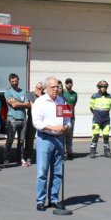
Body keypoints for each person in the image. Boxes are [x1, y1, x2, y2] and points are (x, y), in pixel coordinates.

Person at [32, 77, 71, 211]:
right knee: (42, 171)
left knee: (58, 171)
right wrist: (53, 128)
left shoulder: (62, 101)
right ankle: (41, 200)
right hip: (45, 139)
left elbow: (67, 119)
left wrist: (66, 127)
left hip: (59, 139)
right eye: (53, 87)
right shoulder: (40, 102)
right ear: (46, 88)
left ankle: (54, 199)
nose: (56, 89)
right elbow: (36, 123)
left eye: (57, 87)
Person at [4, 73, 30, 165]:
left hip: (23, 119)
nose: (14, 83)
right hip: (12, 119)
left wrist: (18, 103)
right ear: (10, 82)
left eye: (16, 81)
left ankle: (21, 158)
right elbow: (13, 105)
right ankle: (6, 159)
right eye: (12, 81)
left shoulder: (23, 92)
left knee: (21, 141)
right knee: (9, 141)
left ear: (18, 80)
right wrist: (23, 103)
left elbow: (28, 104)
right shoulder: (8, 92)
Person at [89, 80, 111, 158]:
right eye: (102, 87)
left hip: (106, 120)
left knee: (106, 136)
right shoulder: (94, 96)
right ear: (99, 88)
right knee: (95, 136)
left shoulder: (110, 97)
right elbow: (91, 107)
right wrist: (97, 114)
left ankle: (107, 152)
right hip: (97, 119)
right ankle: (92, 152)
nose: (103, 88)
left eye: (105, 87)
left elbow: (109, 107)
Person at [23, 81, 45, 166]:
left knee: (43, 139)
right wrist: (40, 100)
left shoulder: (44, 95)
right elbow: (33, 106)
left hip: (42, 120)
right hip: (32, 120)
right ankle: (28, 157)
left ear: (42, 89)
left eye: (39, 88)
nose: (37, 89)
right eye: (36, 87)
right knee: (29, 139)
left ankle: (42, 157)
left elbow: (46, 106)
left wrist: (39, 96)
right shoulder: (30, 94)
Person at [62, 78, 78, 159]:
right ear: (65, 84)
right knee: (62, 135)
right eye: (67, 83)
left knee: (69, 136)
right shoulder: (62, 92)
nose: (69, 84)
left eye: (70, 83)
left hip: (71, 117)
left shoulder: (74, 94)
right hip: (62, 118)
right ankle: (62, 152)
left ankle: (69, 151)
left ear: (72, 84)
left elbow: (73, 104)